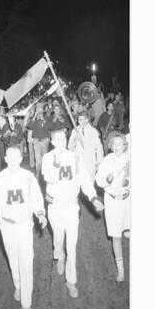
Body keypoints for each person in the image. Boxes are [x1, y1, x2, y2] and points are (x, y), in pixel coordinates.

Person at [0, 145, 47, 309]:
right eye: (9, 157)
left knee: (26, 263)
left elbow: (36, 198)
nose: (12, 160)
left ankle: (27, 303)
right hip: (6, 227)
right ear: (5, 159)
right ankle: (18, 285)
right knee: (13, 259)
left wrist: (40, 213)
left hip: (25, 225)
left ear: (20, 159)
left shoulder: (28, 177)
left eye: (16, 157)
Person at [42, 129, 104, 298]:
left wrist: (93, 197)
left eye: (64, 139)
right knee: (58, 238)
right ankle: (59, 255)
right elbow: (49, 177)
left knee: (72, 246)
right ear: (53, 142)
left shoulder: (75, 158)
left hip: (71, 208)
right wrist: (57, 161)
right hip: (55, 207)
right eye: (58, 140)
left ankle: (71, 281)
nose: (61, 142)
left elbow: (84, 180)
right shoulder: (48, 158)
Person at [95, 132, 131, 282]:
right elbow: (98, 181)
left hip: (128, 201)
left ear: (125, 146)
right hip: (111, 201)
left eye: (120, 144)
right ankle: (121, 270)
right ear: (110, 146)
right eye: (114, 144)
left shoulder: (129, 160)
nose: (117, 147)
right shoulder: (106, 161)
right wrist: (107, 180)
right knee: (116, 236)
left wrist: (128, 181)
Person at [68, 110, 103, 181]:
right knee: (79, 182)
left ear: (87, 120)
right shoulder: (75, 131)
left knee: (90, 181)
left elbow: (99, 148)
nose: (80, 122)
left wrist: (99, 161)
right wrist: (75, 139)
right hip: (79, 160)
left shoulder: (93, 131)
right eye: (79, 120)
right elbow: (70, 148)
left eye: (83, 119)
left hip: (90, 160)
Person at [26, 105, 52, 177]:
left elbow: (49, 127)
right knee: (38, 160)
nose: (39, 113)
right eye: (38, 112)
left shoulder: (46, 118)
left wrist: (43, 120)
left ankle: (45, 173)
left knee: (44, 158)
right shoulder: (34, 119)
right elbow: (29, 126)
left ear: (43, 112)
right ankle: (38, 175)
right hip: (36, 141)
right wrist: (34, 117)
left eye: (40, 111)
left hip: (44, 140)